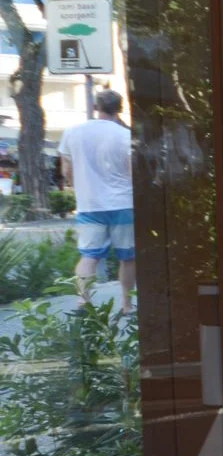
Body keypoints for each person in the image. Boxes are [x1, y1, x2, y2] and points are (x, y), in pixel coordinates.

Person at [59, 90, 135, 314]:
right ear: (119, 109)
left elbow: (66, 170)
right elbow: (133, 172)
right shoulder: (125, 136)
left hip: (89, 204)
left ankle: (83, 302)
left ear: (96, 106)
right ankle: (127, 304)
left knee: (89, 256)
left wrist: (79, 187)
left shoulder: (72, 132)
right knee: (128, 257)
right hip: (123, 204)